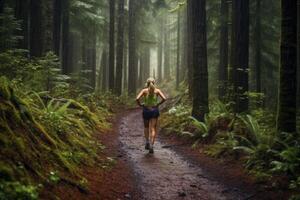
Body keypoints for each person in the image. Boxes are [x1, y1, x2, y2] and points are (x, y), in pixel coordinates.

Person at [136, 77, 167, 153]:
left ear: (147, 83)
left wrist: (140, 105)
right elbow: (164, 98)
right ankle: (152, 146)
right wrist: (158, 104)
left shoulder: (144, 91)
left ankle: (147, 142)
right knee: (153, 128)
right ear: (154, 83)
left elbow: (137, 98)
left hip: (146, 110)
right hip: (154, 110)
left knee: (146, 127)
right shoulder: (157, 91)